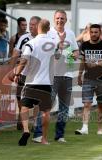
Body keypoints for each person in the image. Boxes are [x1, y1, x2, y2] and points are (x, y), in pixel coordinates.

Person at [33, 10, 79, 143]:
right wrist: (59, 46)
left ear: (66, 20)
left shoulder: (70, 33)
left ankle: (60, 135)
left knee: (64, 107)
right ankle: (38, 134)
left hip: (67, 74)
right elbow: (46, 51)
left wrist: (75, 55)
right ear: (54, 19)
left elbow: (76, 50)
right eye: (58, 18)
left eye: (62, 18)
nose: (60, 20)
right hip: (51, 75)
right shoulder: (48, 33)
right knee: (46, 106)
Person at [14, 19, 56, 146]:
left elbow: (24, 60)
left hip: (31, 81)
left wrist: (17, 73)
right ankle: (43, 138)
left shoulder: (31, 43)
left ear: (38, 28)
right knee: (45, 112)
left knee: (24, 107)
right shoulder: (53, 44)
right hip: (47, 82)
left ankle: (26, 130)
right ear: (48, 29)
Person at [75, 24, 102, 135]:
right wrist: (79, 75)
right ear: (89, 33)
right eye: (92, 32)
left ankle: (100, 129)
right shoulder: (85, 45)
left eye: (96, 32)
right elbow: (82, 62)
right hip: (88, 79)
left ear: (100, 33)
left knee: (100, 105)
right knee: (87, 104)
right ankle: (84, 128)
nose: (94, 34)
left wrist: (95, 63)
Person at [9, 16, 41, 131]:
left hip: (38, 74)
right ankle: (22, 120)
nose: (30, 26)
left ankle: (36, 123)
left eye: (33, 24)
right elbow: (15, 53)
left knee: (37, 99)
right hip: (23, 73)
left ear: (39, 25)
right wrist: (11, 70)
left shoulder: (44, 39)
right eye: (30, 24)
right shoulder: (24, 38)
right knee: (20, 98)